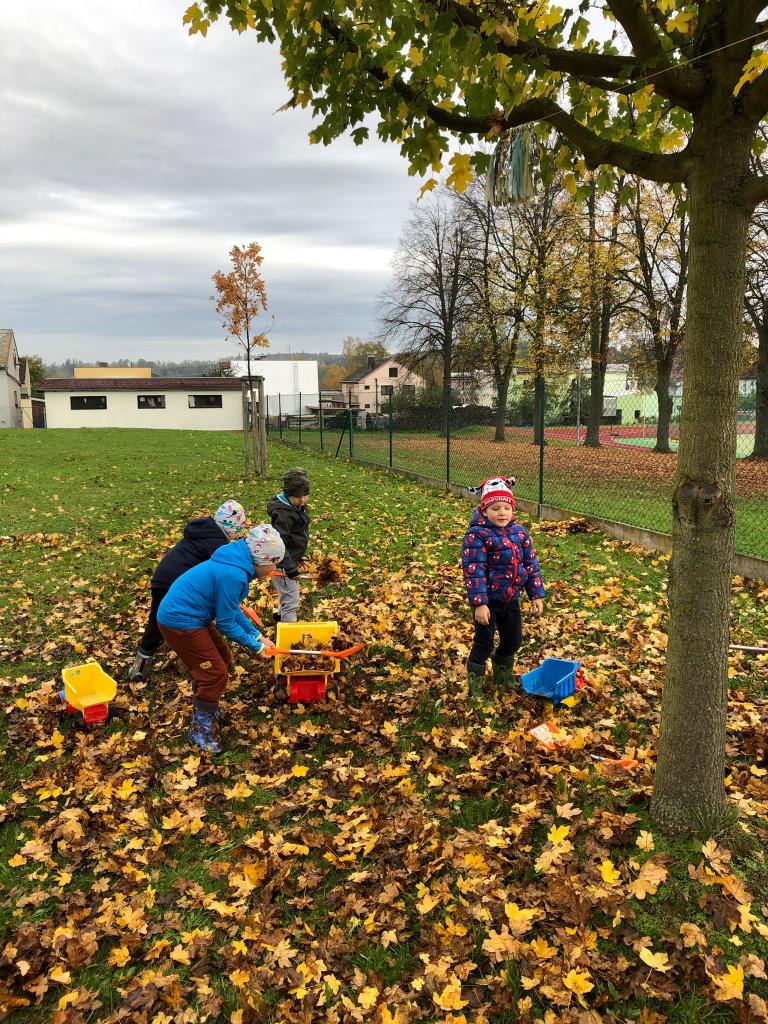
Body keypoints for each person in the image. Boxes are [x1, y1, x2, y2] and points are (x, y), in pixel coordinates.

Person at [157, 524, 285, 753]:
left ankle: (205, 702)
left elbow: (231, 610)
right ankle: (200, 729)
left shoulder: (237, 564)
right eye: (274, 563)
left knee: (223, 659)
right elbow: (225, 623)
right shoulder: (233, 574)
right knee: (215, 674)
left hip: (196, 617)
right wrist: (254, 647)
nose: (274, 569)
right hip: (180, 622)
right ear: (261, 561)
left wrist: (257, 635)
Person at [127, 500, 247, 682]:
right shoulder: (217, 544)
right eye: (239, 529)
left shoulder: (204, 529)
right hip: (173, 582)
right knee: (159, 622)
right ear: (233, 527)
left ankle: (146, 659)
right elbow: (221, 573)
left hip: (163, 575)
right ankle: (140, 666)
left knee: (158, 619)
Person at [461, 476, 545, 696]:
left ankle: (502, 675)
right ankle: (475, 685)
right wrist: (479, 604)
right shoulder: (476, 535)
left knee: (513, 641)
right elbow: (474, 571)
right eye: (495, 508)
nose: (502, 513)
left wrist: (536, 595)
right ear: (484, 510)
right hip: (488, 602)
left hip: (511, 599)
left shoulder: (519, 533)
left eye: (506, 508)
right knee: (484, 643)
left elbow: (530, 564)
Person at [267, 467, 310, 623]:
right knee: (291, 599)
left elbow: (296, 534)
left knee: (287, 593)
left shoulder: (296, 506)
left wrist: (298, 555)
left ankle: (280, 618)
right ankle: (288, 628)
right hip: (282, 564)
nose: (302, 500)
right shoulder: (283, 515)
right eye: (298, 497)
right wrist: (290, 568)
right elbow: (279, 544)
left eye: (305, 495)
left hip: (289, 559)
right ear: (288, 494)